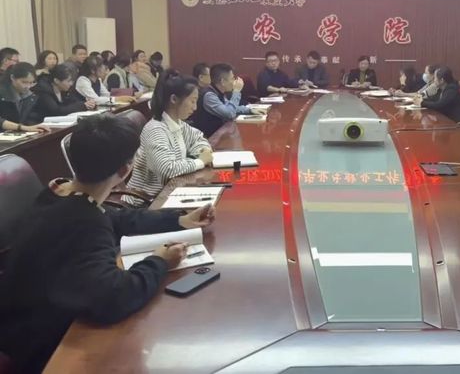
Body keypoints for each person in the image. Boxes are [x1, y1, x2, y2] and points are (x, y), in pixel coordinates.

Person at [0, 114, 216, 373]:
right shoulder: (84, 222)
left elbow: (118, 218)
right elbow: (113, 298)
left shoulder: (61, 191)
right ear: (125, 170)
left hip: (24, 316)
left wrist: (179, 220)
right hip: (44, 344)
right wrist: (160, 261)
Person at [125, 70, 213, 206]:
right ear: (174, 99)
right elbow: (167, 170)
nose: (195, 107)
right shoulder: (156, 130)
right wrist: (200, 161)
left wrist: (203, 151)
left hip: (169, 194)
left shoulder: (178, 124)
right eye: (192, 101)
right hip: (146, 203)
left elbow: (199, 138)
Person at [190, 63, 264, 138]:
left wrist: (249, 110)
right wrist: (236, 91)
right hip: (209, 139)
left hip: (221, 133)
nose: (234, 82)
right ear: (223, 82)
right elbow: (230, 114)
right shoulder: (209, 95)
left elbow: (229, 107)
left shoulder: (218, 91)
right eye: (232, 78)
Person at [30, 64, 96, 122]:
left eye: (72, 81)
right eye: (68, 81)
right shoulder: (44, 90)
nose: (71, 83)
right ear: (56, 81)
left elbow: (74, 101)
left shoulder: (64, 89)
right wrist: (82, 105)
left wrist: (87, 104)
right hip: (39, 123)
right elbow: (57, 111)